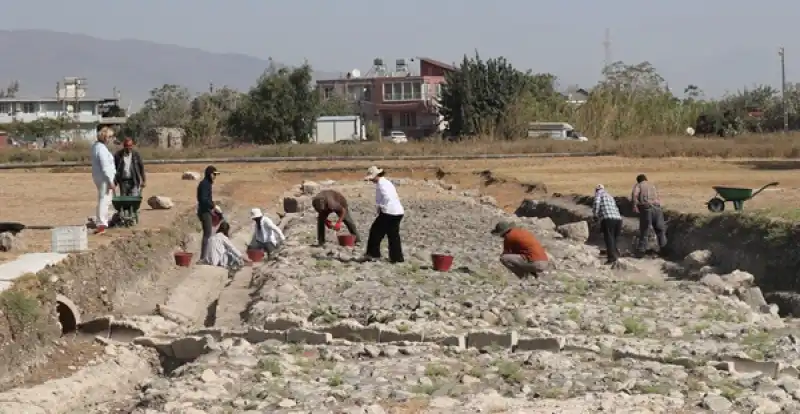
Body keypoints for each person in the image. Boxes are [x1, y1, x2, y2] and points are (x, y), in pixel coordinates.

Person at [364, 166, 404, 263]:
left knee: (375, 232)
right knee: (393, 235)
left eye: (372, 178)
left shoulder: (381, 184)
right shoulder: (386, 182)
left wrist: (382, 207)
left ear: (376, 175)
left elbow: (387, 197)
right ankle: (397, 258)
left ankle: (373, 254)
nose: (371, 180)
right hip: (398, 211)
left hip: (389, 212)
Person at [630, 174, 668, 257]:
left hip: (646, 209)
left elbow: (635, 195)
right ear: (646, 179)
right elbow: (659, 197)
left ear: (638, 180)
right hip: (657, 208)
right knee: (660, 230)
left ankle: (641, 251)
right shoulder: (652, 185)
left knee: (645, 230)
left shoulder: (639, 185)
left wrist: (634, 206)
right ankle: (664, 250)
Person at [90, 126, 117, 234]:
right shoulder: (101, 149)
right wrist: (110, 180)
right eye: (110, 137)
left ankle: (103, 221)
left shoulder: (97, 146)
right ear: (106, 137)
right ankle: (101, 224)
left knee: (105, 199)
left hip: (100, 177)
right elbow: (105, 166)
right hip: (104, 178)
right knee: (104, 199)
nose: (111, 139)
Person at [593, 184, 623, 265]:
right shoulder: (610, 196)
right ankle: (616, 255)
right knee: (614, 239)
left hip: (608, 219)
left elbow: (596, 204)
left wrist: (595, 215)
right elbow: (616, 207)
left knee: (609, 238)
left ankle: (612, 258)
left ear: (596, 190)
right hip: (618, 219)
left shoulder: (599, 194)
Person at [197, 165, 222, 261]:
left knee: (209, 233)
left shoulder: (208, 183)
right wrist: (213, 206)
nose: (215, 176)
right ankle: (203, 257)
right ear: (209, 174)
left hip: (207, 210)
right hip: (204, 212)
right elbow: (203, 199)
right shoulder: (205, 184)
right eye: (214, 174)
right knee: (207, 234)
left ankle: (207, 255)